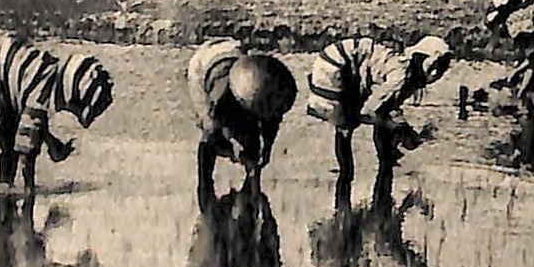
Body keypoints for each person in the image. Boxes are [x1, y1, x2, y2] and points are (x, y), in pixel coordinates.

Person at [0, 28, 114, 192]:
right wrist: (29, 190)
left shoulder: (47, 78)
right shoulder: (41, 93)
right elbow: (27, 150)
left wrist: (52, 145)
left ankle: (5, 188)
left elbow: (35, 122)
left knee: (8, 131)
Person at [307, 35, 452, 209]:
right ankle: (345, 186)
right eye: (436, 67)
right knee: (346, 123)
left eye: (441, 69)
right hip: (335, 67)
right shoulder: (400, 75)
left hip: (341, 62)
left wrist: (397, 130)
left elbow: (385, 108)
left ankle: (368, 171)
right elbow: (369, 111)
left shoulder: (405, 73)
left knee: (366, 119)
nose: (436, 74)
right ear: (422, 59)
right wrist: (400, 129)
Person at [187, 39, 298, 201]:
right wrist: (234, 143)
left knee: (248, 135)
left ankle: (252, 180)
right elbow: (218, 118)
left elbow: (271, 125)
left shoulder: (265, 86)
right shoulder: (222, 92)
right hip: (203, 64)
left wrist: (266, 150)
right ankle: (205, 186)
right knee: (210, 132)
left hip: (233, 53)